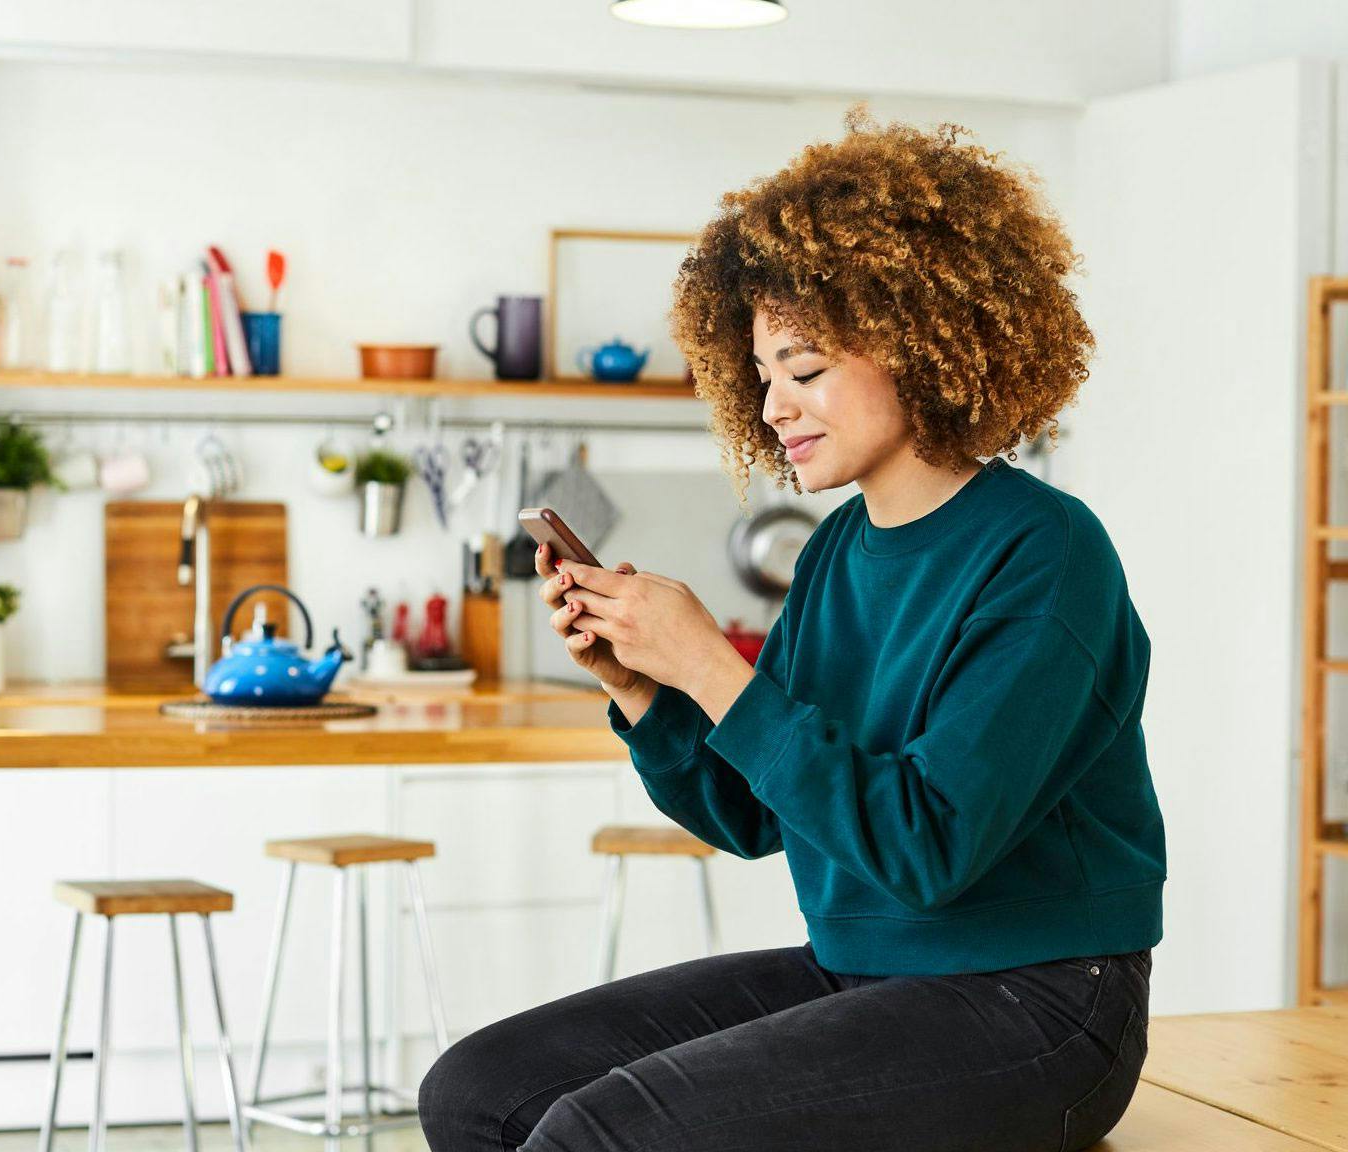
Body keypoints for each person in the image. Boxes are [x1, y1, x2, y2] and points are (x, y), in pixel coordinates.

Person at [418, 103, 1166, 1152]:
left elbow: (927, 848)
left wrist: (712, 668)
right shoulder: (832, 553)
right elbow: (749, 814)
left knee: (594, 1138)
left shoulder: (1045, 552)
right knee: (479, 1090)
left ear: (920, 343)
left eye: (805, 371)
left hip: (1039, 1005)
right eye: (764, 375)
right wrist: (640, 686)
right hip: (868, 970)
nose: (773, 407)